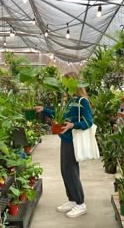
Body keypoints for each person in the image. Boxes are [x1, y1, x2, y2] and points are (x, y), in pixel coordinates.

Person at [34, 71, 93, 218]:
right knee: (65, 171)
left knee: (71, 172)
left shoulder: (82, 101)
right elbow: (59, 114)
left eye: (66, 83)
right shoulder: (69, 101)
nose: (64, 86)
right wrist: (44, 110)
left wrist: (73, 125)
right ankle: (72, 200)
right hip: (65, 140)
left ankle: (81, 204)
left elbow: (89, 122)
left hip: (73, 141)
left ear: (73, 84)